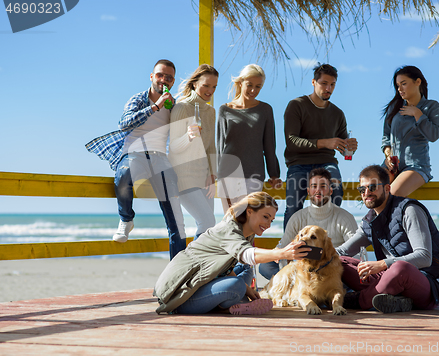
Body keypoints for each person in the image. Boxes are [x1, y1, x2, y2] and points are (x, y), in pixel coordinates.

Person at [85, 59, 186, 259]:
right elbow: (124, 123)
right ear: (151, 76)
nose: (163, 80)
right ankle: (126, 219)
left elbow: (177, 137)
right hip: (134, 153)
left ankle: (178, 271)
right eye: (160, 75)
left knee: (176, 219)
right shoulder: (139, 98)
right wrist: (154, 107)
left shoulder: (174, 106)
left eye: (169, 77)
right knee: (123, 175)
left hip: (160, 158)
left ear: (173, 81)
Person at [153, 192, 310, 315]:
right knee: (236, 285)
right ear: (249, 212)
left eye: (272, 220)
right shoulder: (229, 229)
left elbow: (225, 267)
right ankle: (234, 304)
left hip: (202, 280)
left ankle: (236, 300)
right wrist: (281, 253)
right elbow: (248, 254)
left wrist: (249, 290)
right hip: (180, 296)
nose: (268, 224)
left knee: (245, 269)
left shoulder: (247, 232)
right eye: (265, 217)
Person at [336, 165, 439, 313]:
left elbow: (424, 257)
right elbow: (342, 251)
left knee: (400, 268)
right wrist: (309, 255)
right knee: (337, 261)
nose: (366, 193)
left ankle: (353, 301)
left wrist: (382, 264)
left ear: (387, 188)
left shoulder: (409, 210)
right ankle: (397, 300)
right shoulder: (369, 222)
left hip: (430, 283)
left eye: (372, 187)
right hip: (390, 278)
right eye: (362, 189)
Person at [283, 63, 358, 230]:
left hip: (327, 163)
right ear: (313, 82)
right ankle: (288, 252)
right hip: (298, 163)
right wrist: (324, 142)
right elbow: (291, 141)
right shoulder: (296, 105)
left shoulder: (338, 114)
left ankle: (329, 242)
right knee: (293, 207)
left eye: (332, 84)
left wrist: (350, 146)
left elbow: (343, 146)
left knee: (335, 191)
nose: (328, 88)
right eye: (324, 83)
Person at [259, 167, 358, 280]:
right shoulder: (298, 217)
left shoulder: (345, 217)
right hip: (304, 271)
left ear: (331, 191)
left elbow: (356, 254)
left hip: (332, 270)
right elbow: (283, 248)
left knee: (349, 268)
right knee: (266, 266)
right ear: (308, 191)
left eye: (323, 186)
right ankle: (297, 286)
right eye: (314, 186)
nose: (318, 190)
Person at [217, 64, 281, 212]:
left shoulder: (265, 110)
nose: (253, 90)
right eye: (249, 85)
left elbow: (270, 146)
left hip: (254, 174)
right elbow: (220, 145)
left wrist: (274, 174)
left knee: (249, 222)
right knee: (230, 222)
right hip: (228, 174)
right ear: (241, 82)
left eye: (258, 87)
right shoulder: (224, 110)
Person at [168, 64, 218, 239]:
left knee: (208, 229)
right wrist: (188, 137)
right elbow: (173, 147)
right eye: (206, 85)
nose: (210, 90)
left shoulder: (211, 111)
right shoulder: (181, 108)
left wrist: (213, 174)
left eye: (214, 87)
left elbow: (211, 147)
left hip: (204, 177)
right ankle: (190, 263)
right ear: (195, 83)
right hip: (183, 176)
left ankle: (203, 266)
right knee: (207, 222)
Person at [381, 65, 439, 197]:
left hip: (416, 167)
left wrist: (417, 114)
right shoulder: (395, 107)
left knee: (391, 194)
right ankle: (370, 219)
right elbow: (386, 135)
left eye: (403, 84)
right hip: (392, 166)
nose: (400, 89)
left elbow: (434, 135)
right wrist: (388, 155)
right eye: (398, 85)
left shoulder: (432, 106)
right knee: (372, 189)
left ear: (418, 82)